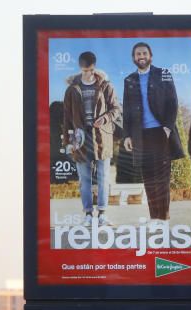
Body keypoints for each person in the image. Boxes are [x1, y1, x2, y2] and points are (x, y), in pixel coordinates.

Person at [122, 42, 186, 223]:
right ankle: (154, 218)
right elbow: (126, 110)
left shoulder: (163, 74)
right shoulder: (129, 80)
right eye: (137, 54)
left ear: (150, 56)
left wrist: (167, 127)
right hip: (140, 136)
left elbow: (173, 102)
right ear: (134, 58)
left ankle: (163, 217)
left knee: (162, 178)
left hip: (160, 133)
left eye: (144, 53)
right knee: (149, 179)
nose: (141, 56)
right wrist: (127, 135)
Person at [62, 51, 121, 226]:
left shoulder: (106, 86)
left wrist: (105, 118)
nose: (88, 74)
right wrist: (68, 142)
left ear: (94, 67)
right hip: (80, 139)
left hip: (102, 137)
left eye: (91, 70)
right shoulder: (72, 89)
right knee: (84, 179)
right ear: (80, 68)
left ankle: (102, 214)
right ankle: (88, 214)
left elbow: (116, 109)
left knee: (103, 177)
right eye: (84, 70)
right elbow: (66, 118)